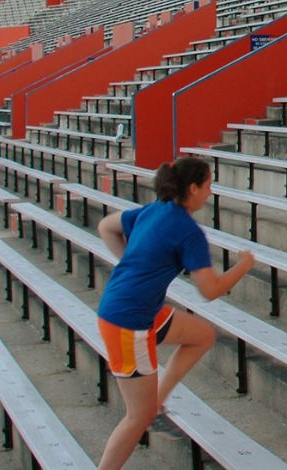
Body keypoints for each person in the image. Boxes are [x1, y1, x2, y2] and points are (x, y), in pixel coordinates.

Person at [94, 156, 255, 469]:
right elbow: (209, 290)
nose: (210, 193)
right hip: (129, 322)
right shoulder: (188, 231)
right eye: (208, 186)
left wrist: (130, 263)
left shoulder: (154, 209)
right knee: (136, 418)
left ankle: (157, 404)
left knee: (202, 335)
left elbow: (105, 226)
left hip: (134, 309)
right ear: (193, 188)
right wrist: (244, 266)